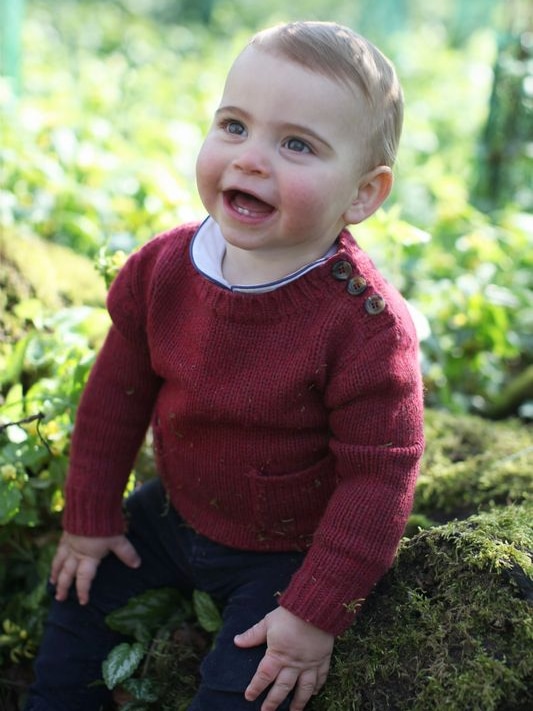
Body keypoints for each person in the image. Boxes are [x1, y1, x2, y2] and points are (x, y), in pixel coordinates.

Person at [26, 20, 424, 711]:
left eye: (296, 144)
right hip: (172, 511)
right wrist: (89, 516)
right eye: (234, 126)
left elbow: (378, 474)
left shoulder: (363, 327)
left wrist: (315, 610)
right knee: (76, 600)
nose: (250, 159)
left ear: (362, 194)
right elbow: (115, 395)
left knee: (249, 686)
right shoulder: (165, 268)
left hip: (286, 547)